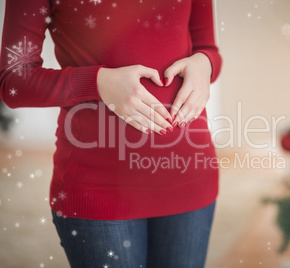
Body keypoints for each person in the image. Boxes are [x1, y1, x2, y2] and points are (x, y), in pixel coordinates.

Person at [0, 0, 222, 267]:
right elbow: (13, 79)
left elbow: (207, 48)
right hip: (98, 187)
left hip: (190, 171)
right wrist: (98, 82)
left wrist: (205, 63)